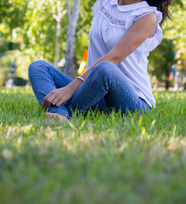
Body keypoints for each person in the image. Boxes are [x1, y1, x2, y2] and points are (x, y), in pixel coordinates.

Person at [28, 0, 172, 121]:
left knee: (105, 69)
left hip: (132, 100)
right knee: (38, 67)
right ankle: (60, 113)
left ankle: (62, 112)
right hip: (93, 92)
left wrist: (69, 90)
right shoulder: (105, 3)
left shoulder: (147, 17)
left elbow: (113, 58)